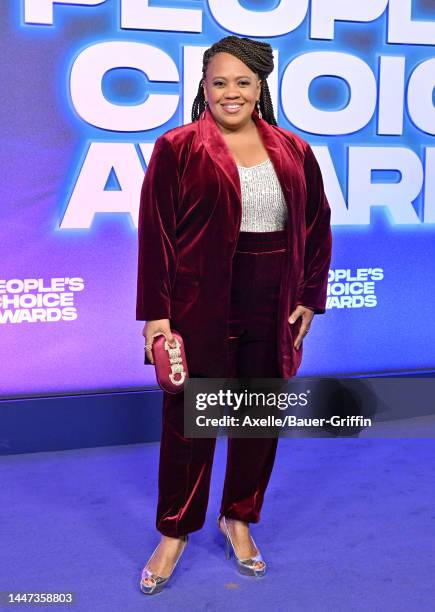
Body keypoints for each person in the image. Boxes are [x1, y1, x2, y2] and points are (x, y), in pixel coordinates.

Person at [136, 35, 332, 594]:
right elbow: (157, 236)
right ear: (204, 87)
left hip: (273, 301)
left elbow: (317, 226)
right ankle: (174, 531)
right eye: (220, 82)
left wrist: (308, 296)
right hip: (200, 301)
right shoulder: (178, 147)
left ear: (261, 88)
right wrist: (157, 315)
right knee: (189, 422)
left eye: (243, 82)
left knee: (258, 416)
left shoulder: (294, 149)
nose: (231, 93)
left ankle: (238, 518)